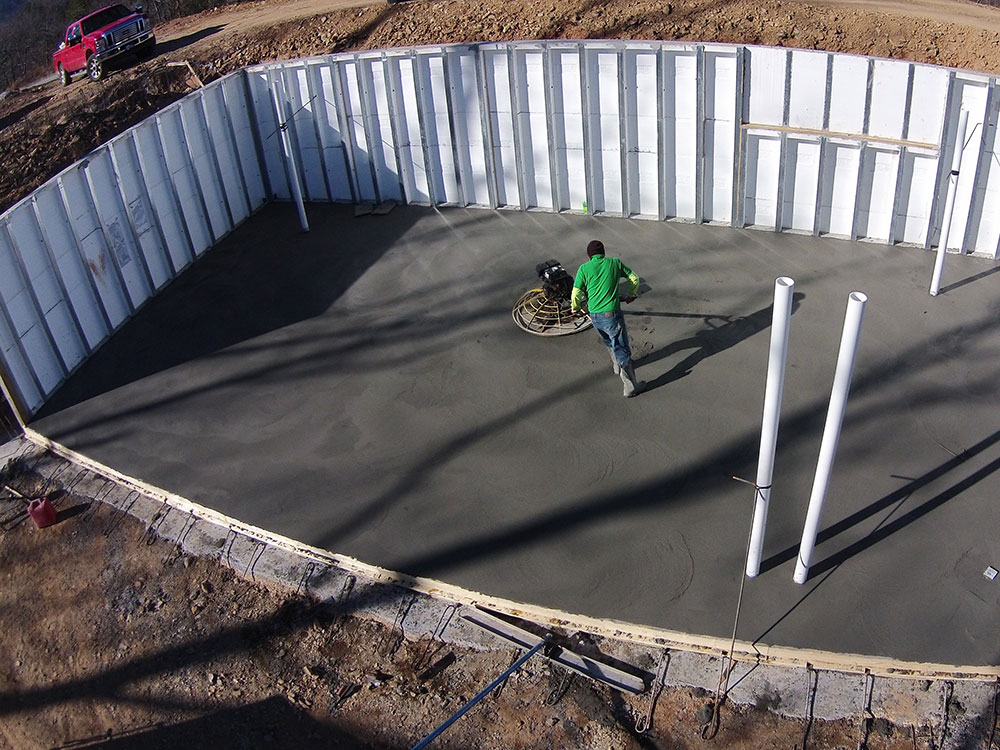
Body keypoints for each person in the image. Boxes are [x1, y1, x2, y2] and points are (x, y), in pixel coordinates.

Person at [570, 240, 645, 397]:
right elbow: (634, 278)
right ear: (603, 252)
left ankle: (616, 367)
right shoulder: (614, 263)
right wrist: (631, 294)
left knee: (608, 341)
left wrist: (575, 308)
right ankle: (630, 387)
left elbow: (576, 293)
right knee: (621, 347)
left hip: (594, 316)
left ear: (590, 256)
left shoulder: (584, 269)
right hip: (611, 314)